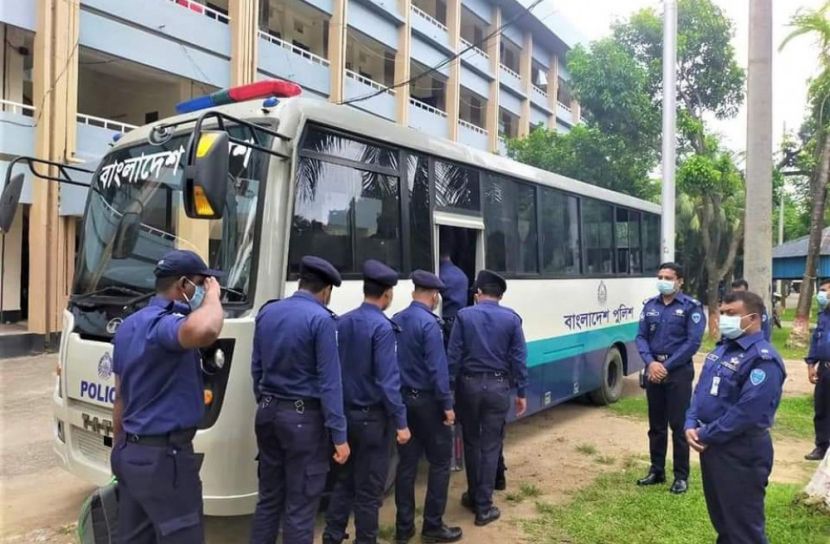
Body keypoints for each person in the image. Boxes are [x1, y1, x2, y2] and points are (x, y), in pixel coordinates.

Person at [111, 249, 224, 543]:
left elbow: (120, 397)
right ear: (184, 286)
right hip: (165, 460)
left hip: (131, 453)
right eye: (202, 283)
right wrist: (213, 298)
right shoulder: (165, 324)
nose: (204, 290)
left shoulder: (128, 326)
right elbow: (207, 328)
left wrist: (120, 449)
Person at [250, 256, 349, 544]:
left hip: (267, 413)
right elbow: (330, 383)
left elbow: (256, 367)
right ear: (327, 290)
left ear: (300, 282)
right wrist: (339, 436)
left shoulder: (268, 313)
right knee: (300, 507)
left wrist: (267, 400)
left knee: (268, 501)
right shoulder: (321, 321)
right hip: (303, 423)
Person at [685, 290, 786, 543]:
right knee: (724, 523)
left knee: (744, 530)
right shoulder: (721, 350)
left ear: (753, 319)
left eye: (732, 314)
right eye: (722, 313)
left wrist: (705, 433)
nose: (724, 319)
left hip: (741, 452)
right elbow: (701, 390)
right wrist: (690, 422)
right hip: (714, 448)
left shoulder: (763, 359)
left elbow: (747, 413)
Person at [323, 260, 411, 544]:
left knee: (344, 481)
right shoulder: (383, 329)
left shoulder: (341, 322)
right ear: (387, 294)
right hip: (373, 421)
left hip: (344, 418)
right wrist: (401, 423)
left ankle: (332, 535)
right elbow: (388, 381)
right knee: (369, 490)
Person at [449, 270, 528, 527]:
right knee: (491, 445)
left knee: (471, 443)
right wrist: (522, 393)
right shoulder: (512, 320)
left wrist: (449, 393)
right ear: (500, 295)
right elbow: (518, 360)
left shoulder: (463, 316)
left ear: (477, 293)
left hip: (468, 387)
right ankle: (484, 507)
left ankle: (474, 497)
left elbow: (453, 358)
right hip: (497, 387)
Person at [392, 270, 463, 544]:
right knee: (440, 463)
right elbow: (437, 369)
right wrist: (447, 405)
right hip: (428, 404)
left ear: (413, 293)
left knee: (406, 465)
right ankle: (433, 525)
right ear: (433, 296)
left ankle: (403, 527)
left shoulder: (397, 320)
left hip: (403, 402)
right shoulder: (430, 325)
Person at [635, 262, 705, 494]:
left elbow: (692, 343)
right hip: (653, 369)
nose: (663, 280)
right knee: (656, 425)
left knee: (678, 425)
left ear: (680, 281)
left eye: (668, 277)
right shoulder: (650, 306)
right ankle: (656, 470)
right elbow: (641, 337)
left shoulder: (691, 307)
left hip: (678, 372)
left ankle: (681, 476)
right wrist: (651, 363)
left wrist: (666, 366)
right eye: (660, 276)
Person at [805, 279, 830, 461]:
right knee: (821, 408)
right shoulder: (824, 315)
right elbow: (816, 341)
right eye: (821, 291)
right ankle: (821, 446)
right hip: (825, 369)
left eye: (826, 291)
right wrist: (811, 365)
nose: (822, 295)